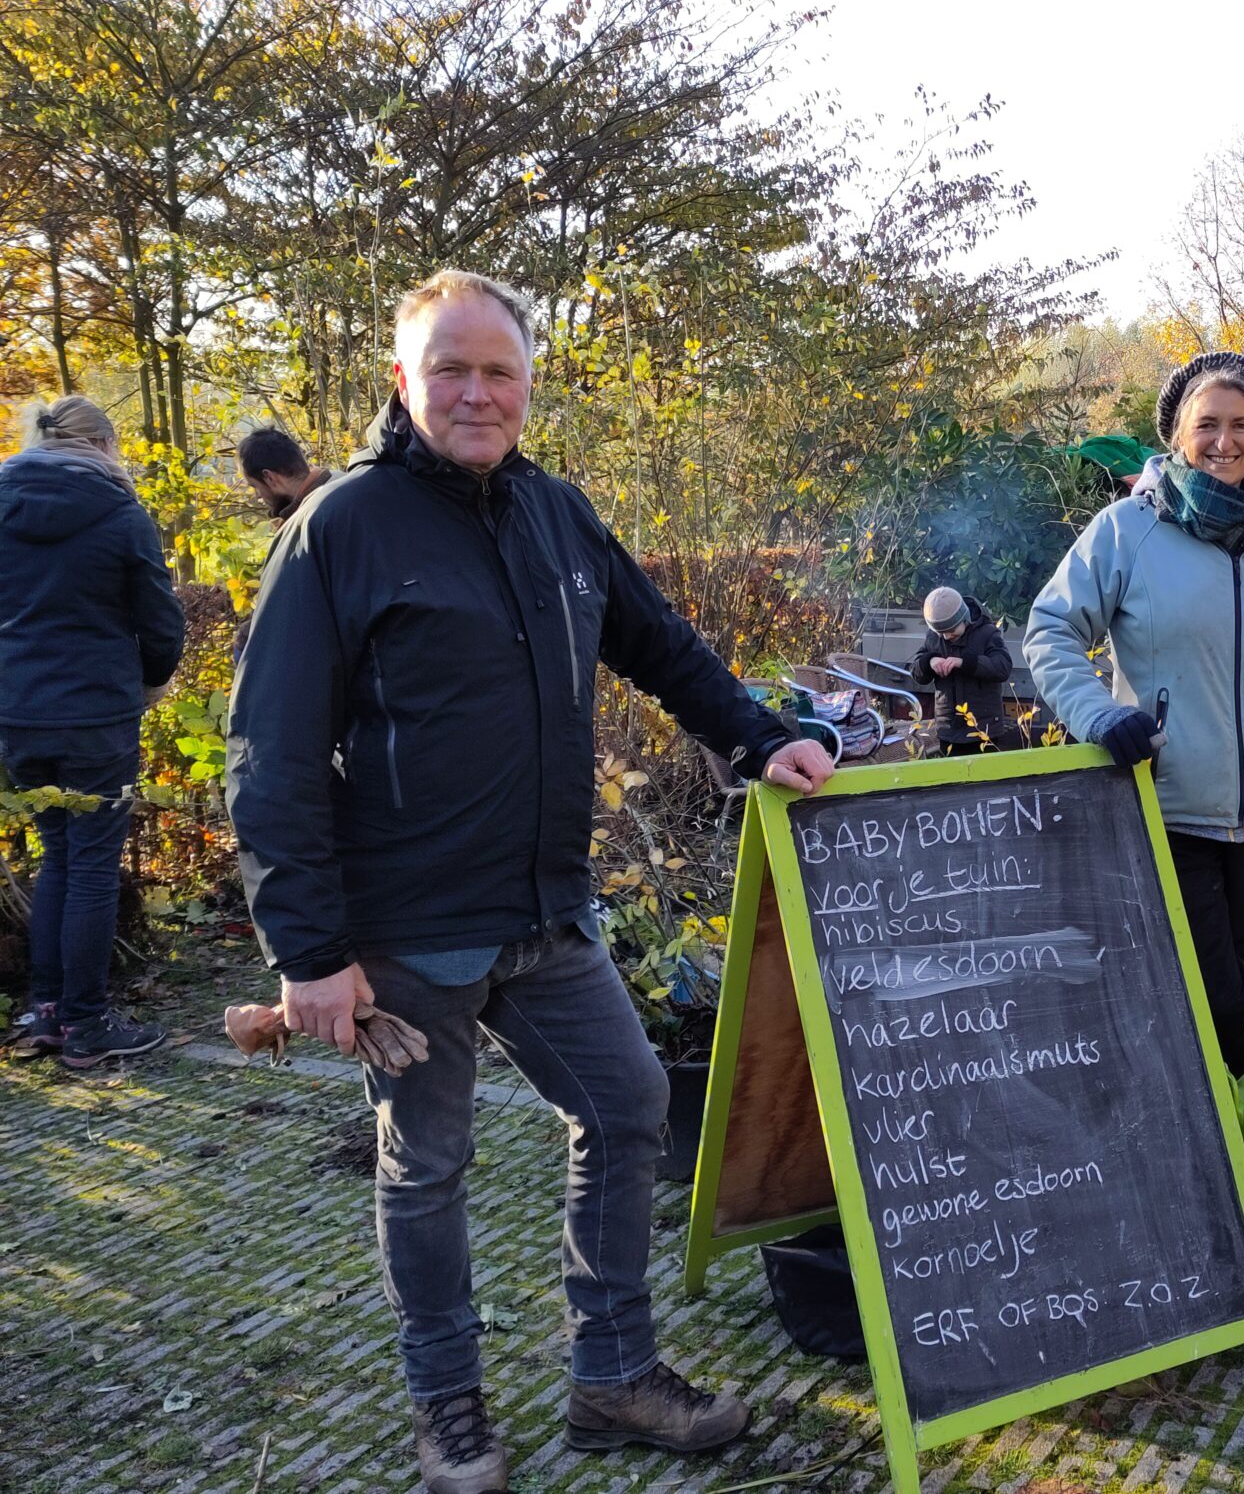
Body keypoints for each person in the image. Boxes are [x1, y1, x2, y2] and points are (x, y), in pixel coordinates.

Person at [225, 270, 834, 1494]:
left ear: (528, 386)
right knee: (428, 1167)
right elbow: (272, 748)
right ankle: (448, 1407)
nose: (475, 391)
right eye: (449, 367)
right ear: (403, 380)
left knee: (621, 1108)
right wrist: (308, 952)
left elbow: (660, 644)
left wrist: (760, 737)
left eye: (499, 371)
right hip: (404, 932)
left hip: (547, 913)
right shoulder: (342, 527)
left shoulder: (558, 513)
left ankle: (611, 1374)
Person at [1026, 351, 1244, 1076]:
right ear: (1177, 433)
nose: (1225, 440)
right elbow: (1050, 630)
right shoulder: (1128, 529)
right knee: (1217, 997)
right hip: (1164, 800)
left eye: (1241, 425)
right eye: (1207, 424)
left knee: (1199, 990)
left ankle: (1195, 1143)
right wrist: (1100, 716)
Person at [0, 396, 184, 1068]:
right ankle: (85, 1023)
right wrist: (151, 682)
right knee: (92, 868)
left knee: (57, 855)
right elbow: (160, 622)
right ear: (104, 445)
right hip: (95, 715)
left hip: (17, 714)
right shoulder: (118, 512)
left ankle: (45, 1010)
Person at [911, 585, 1017, 754]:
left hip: (983, 728)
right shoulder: (934, 638)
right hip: (948, 729)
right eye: (941, 633)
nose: (946, 637)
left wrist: (964, 663)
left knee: (985, 778)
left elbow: (1002, 667)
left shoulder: (987, 633)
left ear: (965, 618)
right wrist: (929, 662)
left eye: (951, 631)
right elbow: (916, 672)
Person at [236, 424, 331, 525]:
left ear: (269, 478)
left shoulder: (310, 524)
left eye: (255, 486)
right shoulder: (342, 483)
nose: (257, 496)